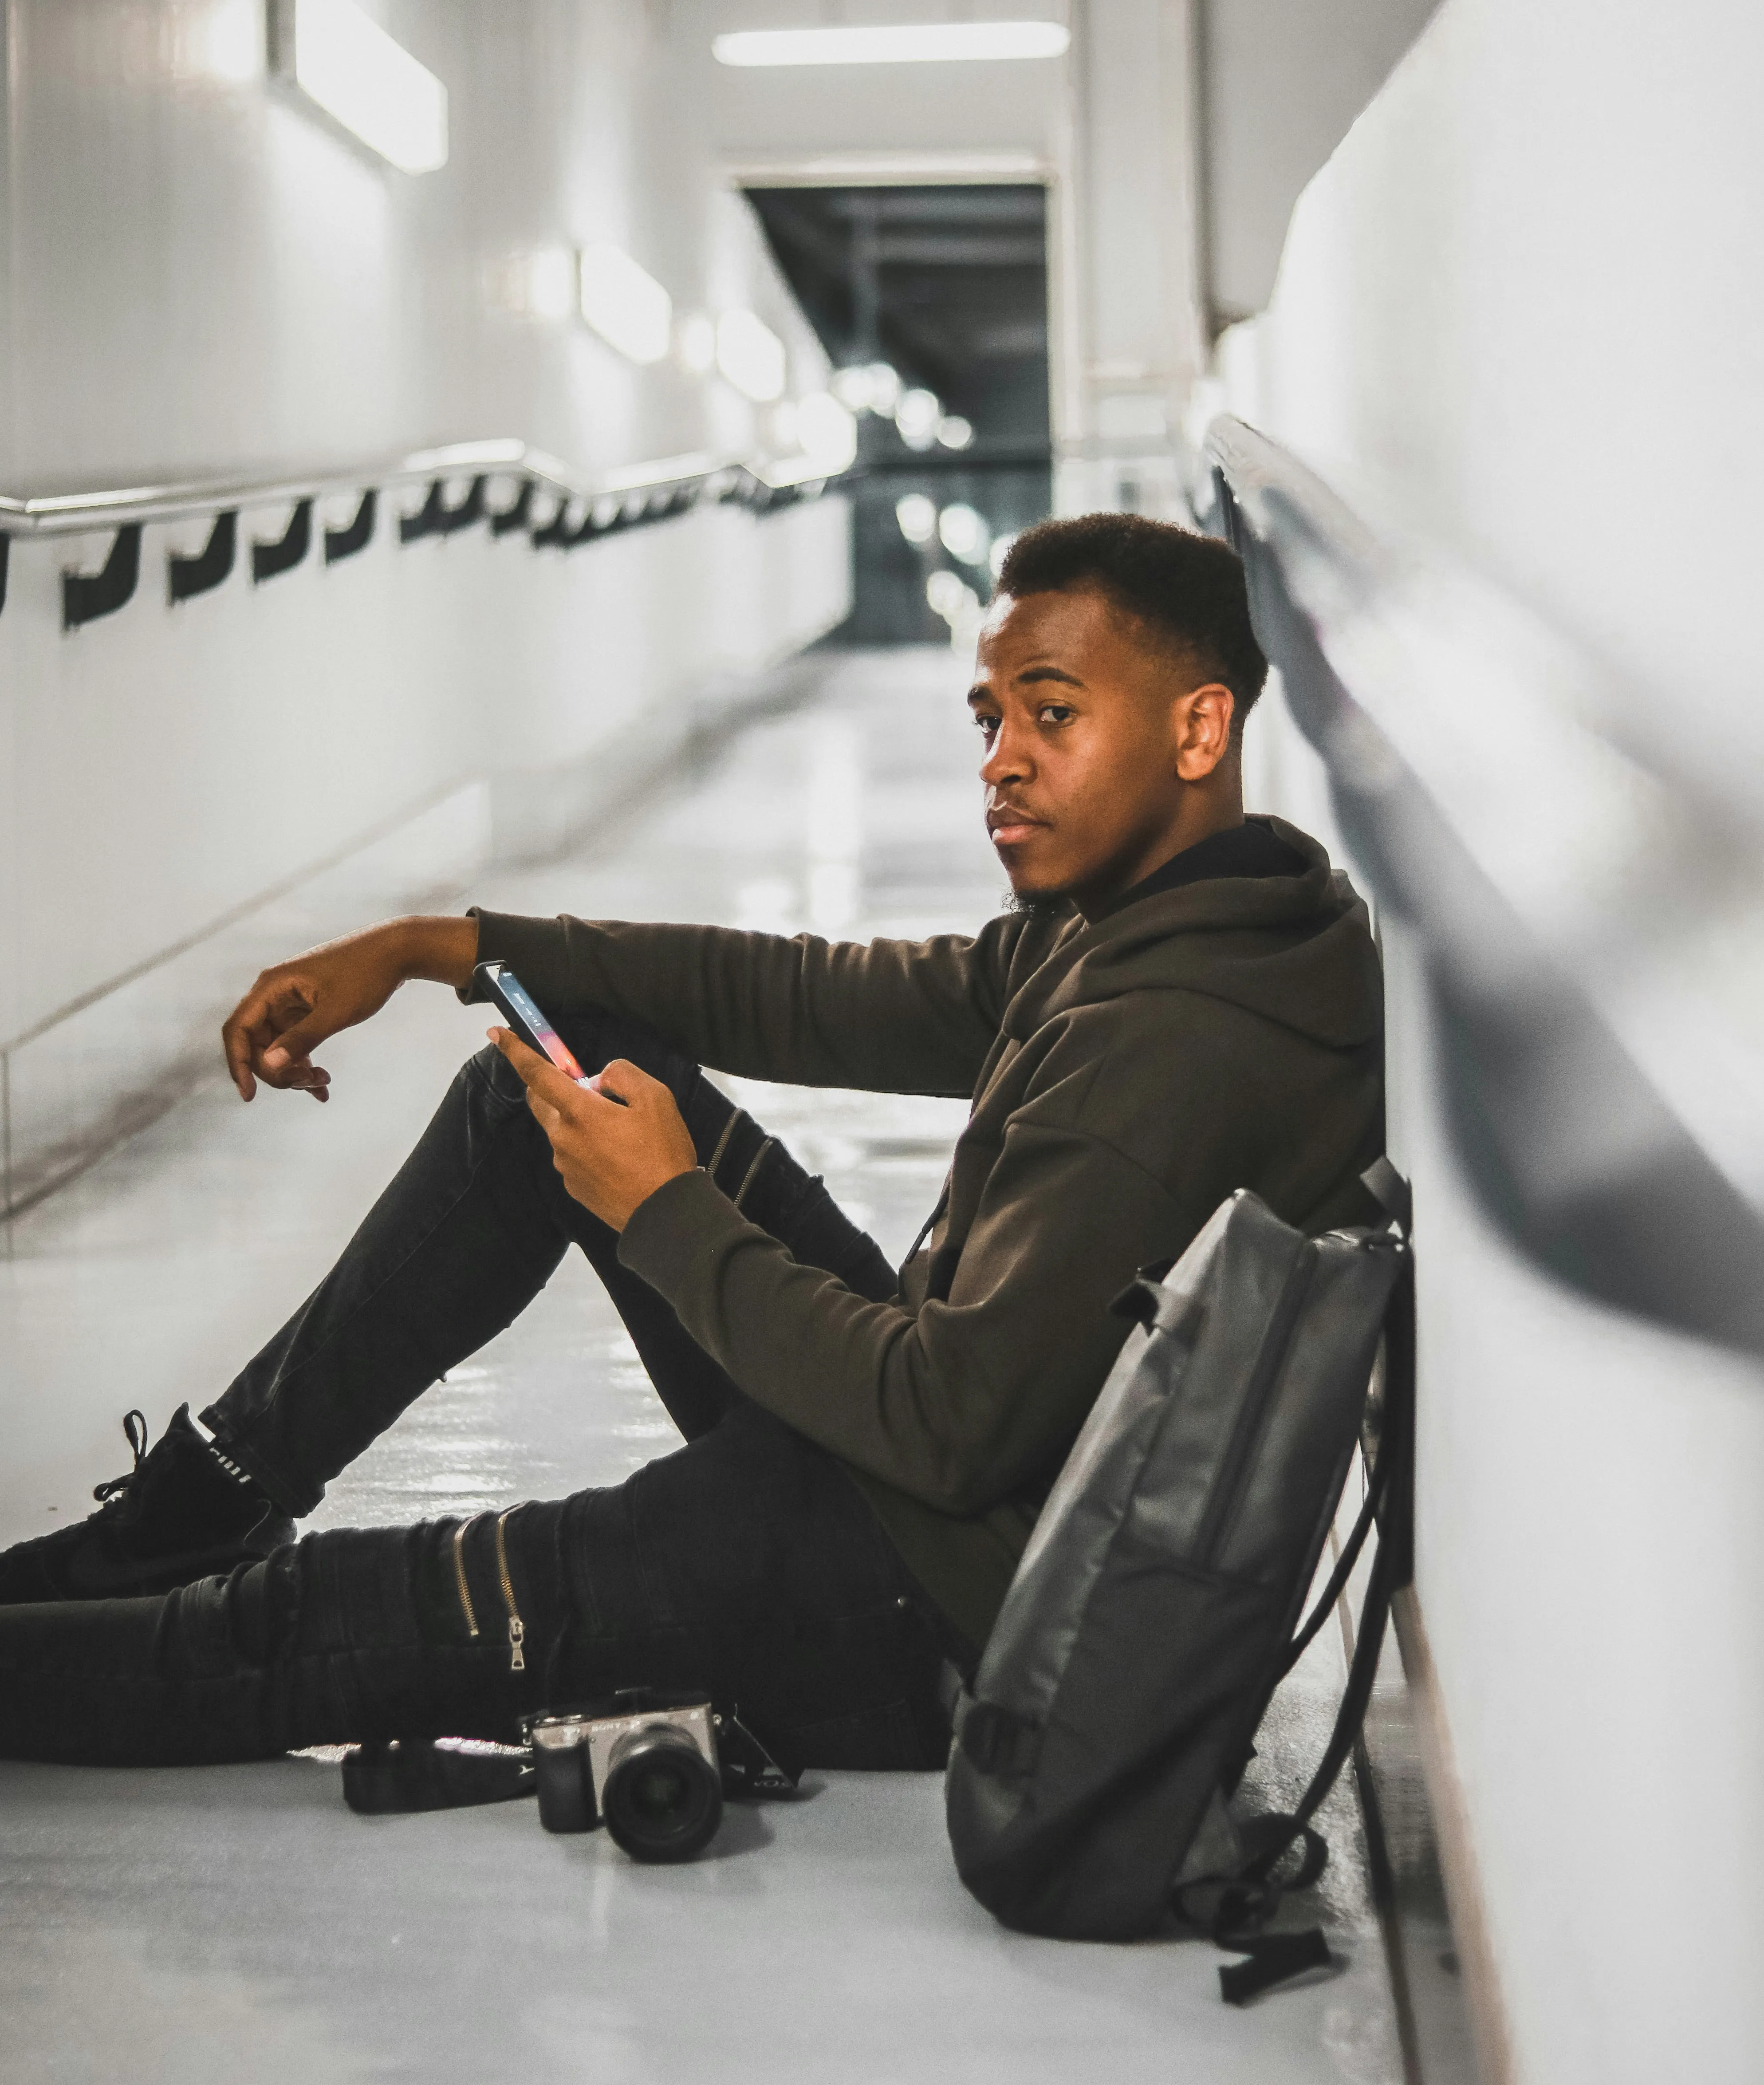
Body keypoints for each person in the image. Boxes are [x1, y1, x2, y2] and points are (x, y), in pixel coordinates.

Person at [0, 513, 1384, 1773]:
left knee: (307, 1625)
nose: (1002, 759)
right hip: (909, 1494)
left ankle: (149, 1598)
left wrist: (668, 1209)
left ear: (1200, 732)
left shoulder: (1175, 1041)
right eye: (991, 716)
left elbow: (946, 1430)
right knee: (554, 1082)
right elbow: (801, 993)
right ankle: (203, 1504)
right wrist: (448, 948)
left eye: (1054, 714)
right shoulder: (1174, 922)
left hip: (922, 1609)